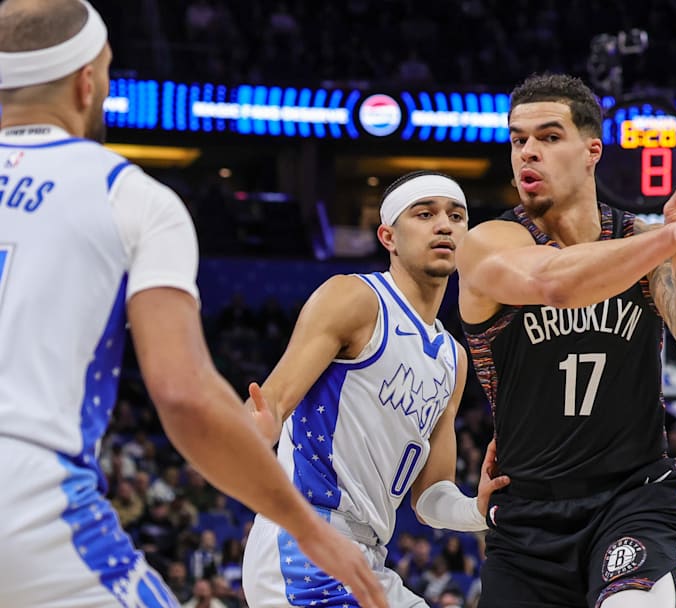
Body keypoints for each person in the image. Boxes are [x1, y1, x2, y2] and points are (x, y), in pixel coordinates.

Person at [0, 0, 387, 606]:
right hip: (26, 497)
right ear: (84, 82)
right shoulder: (128, 195)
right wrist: (309, 529)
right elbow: (183, 396)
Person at [458, 72, 676, 607]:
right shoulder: (488, 244)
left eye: (548, 137)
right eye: (518, 139)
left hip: (632, 499)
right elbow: (554, 282)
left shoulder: (641, 242)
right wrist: (672, 236)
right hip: (526, 517)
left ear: (593, 150)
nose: (528, 152)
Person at [242, 171, 508, 607]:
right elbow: (270, 401)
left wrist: (476, 509)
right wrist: (254, 431)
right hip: (307, 542)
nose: (444, 225)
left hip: (366, 558)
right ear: (388, 235)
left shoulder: (452, 358)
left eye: (456, 216)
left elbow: (429, 497)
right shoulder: (356, 298)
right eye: (425, 214)